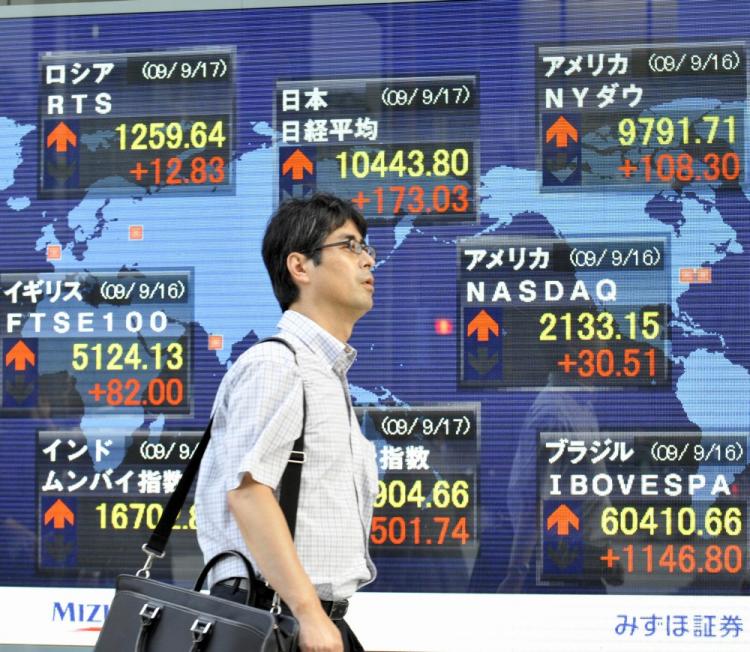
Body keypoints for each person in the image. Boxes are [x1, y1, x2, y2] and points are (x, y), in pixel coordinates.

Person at [195, 193, 378, 652]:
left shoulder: (325, 374)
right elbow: (248, 492)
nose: (368, 259)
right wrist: (309, 614)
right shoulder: (279, 366)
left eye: (366, 247)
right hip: (274, 617)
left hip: (305, 619)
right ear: (301, 267)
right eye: (350, 245)